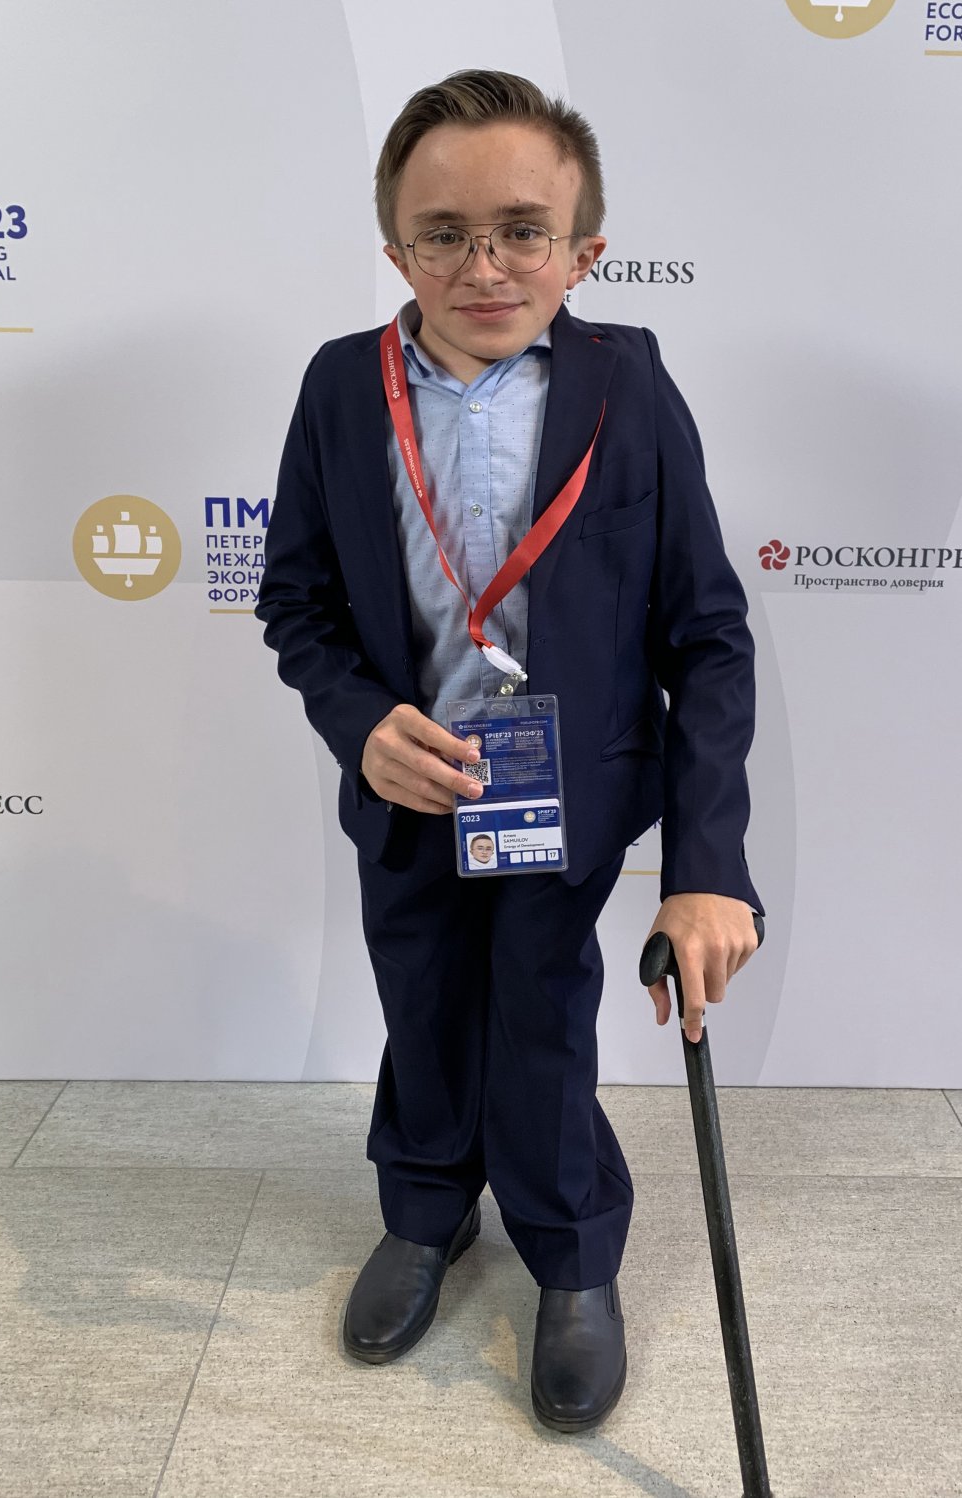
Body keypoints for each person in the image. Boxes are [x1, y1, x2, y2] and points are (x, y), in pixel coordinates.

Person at [256, 69, 763, 1433]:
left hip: (567, 789)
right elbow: (296, 602)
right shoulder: (339, 387)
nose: (483, 266)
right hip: (412, 787)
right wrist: (362, 723)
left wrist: (708, 867)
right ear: (395, 247)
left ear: (583, 248)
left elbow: (708, 638)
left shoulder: (629, 385)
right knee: (422, 1002)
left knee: (540, 1015)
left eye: (523, 231)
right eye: (444, 234)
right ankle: (426, 1210)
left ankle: (572, 1250)